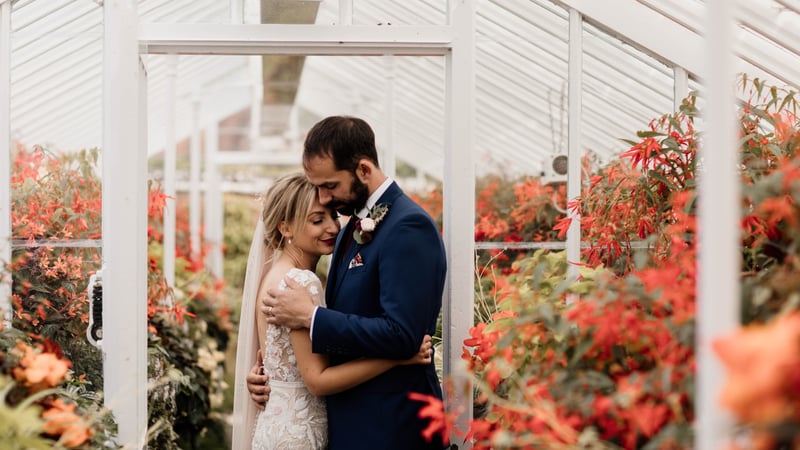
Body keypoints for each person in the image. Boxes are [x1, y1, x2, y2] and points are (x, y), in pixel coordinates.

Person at [257, 116, 449, 449]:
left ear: (363, 170)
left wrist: (311, 317)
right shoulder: (348, 228)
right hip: (350, 423)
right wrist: (276, 380)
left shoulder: (408, 227)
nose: (324, 198)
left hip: (392, 427)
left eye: (330, 186)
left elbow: (403, 334)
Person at [231, 173, 434, 449]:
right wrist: (400, 357)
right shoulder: (301, 283)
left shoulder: (273, 276)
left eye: (332, 216)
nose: (333, 228)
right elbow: (317, 381)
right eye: (317, 220)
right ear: (285, 228)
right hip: (299, 435)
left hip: (275, 428)